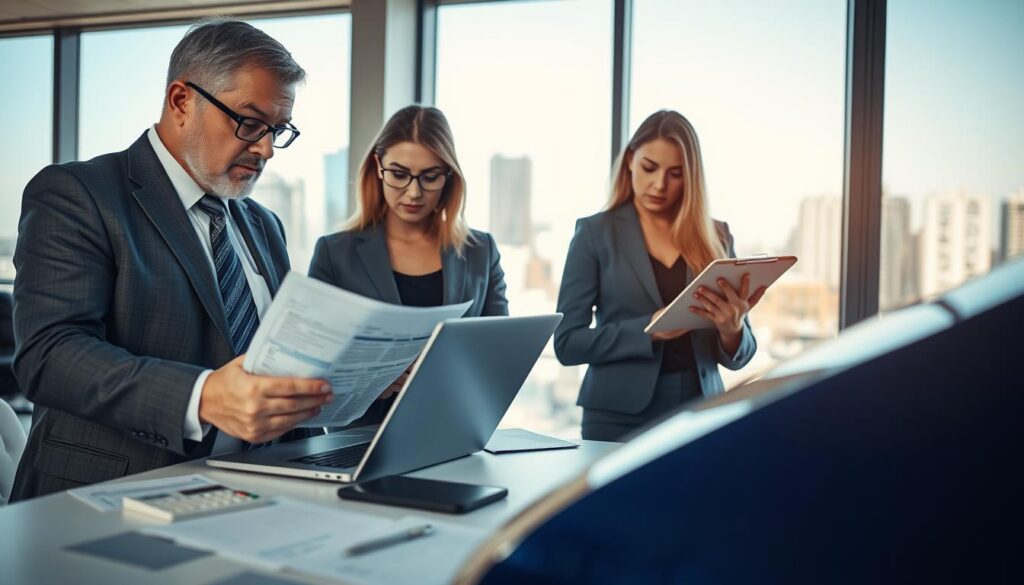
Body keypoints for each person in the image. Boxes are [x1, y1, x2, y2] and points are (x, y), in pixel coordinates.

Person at [10, 18, 333, 501]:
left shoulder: (262, 224)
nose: (265, 148)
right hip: (111, 498)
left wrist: (357, 374)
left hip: (260, 494)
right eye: (249, 121)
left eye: (277, 130)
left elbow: (275, 354)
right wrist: (202, 397)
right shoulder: (78, 193)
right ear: (182, 101)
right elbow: (50, 356)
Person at [554, 110, 762, 442]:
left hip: (699, 409)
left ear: (691, 177)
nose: (659, 185)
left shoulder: (716, 236)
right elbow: (567, 344)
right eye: (650, 168)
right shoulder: (595, 233)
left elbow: (742, 356)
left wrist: (732, 328)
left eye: (675, 173)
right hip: (616, 417)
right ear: (630, 161)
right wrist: (650, 329)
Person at [309, 105, 508, 421]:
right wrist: (373, 380)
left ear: (449, 177)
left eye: (430, 177)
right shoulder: (335, 253)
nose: (414, 192)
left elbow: (502, 352)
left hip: (455, 427)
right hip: (361, 437)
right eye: (399, 174)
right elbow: (312, 363)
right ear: (378, 166)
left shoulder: (480, 250)